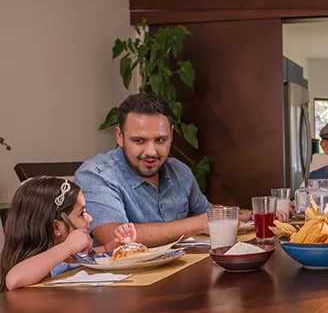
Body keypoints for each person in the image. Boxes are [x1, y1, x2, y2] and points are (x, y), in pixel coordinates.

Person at [75, 93, 250, 247]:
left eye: (160, 140)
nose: (151, 152)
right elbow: (112, 237)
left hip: (181, 275)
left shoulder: (180, 171)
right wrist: (199, 223)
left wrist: (261, 214)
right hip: (121, 281)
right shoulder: (95, 175)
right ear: (120, 136)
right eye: (139, 141)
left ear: (171, 135)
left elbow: (212, 215)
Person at [0, 177, 136, 291]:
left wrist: (119, 242)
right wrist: (67, 247)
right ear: (56, 227)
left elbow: (105, 251)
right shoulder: (44, 265)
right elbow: (13, 280)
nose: (90, 218)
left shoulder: (73, 256)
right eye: (82, 213)